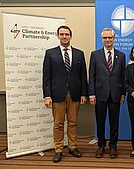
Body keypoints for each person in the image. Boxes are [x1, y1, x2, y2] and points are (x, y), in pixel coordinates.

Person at [42, 25, 88, 163]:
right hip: (57, 95)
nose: (64, 36)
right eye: (61, 34)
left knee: (73, 122)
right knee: (58, 124)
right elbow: (46, 76)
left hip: (75, 94)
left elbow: (83, 76)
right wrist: (47, 95)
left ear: (70, 36)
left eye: (66, 34)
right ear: (58, 36)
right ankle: (58, 149)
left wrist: (83, 94)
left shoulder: (79, 53)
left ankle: (73, 147)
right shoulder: (50, 53)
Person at [89, 28, 126, 159]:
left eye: (110, 37)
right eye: (105, 38)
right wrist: (91, 94)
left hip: (115, 94)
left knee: (114, 123)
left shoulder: (121, 55)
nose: (107, 40)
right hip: (100, 95)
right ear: (102, 39)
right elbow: (91, 76)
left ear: (114, 39)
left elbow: (123, 77)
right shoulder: (95, 55)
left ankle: (113, 146)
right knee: (100, 122)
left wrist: (123, 94)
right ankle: (101, 145)